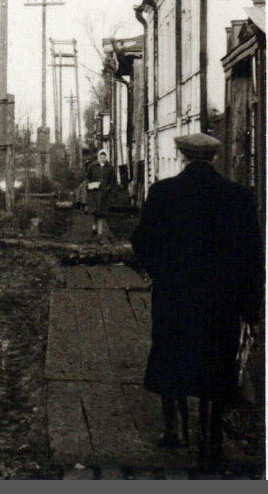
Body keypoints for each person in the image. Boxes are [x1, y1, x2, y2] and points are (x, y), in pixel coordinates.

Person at [130, 133, 264, 470]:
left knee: (170, 358)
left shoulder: (163, 193)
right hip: (221, 302)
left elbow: (143, 242)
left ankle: (175, 432)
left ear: (181, 157)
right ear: (214, 158)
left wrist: (158, 272)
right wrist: (252, 309)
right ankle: (211, 441)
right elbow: (252, 257)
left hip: (174, 297)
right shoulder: (239, 197)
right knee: (215, 367)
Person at [84, 151, 116, 238]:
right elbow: (87, 177)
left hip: (105, 193)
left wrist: (109, 187)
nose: (103, 159)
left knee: (102, 211)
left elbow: (113, 180)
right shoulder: (93, 166)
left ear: (106, 158)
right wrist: (90, 185)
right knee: (95, 210)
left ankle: (100, 231)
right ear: (98, 158)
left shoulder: (110, 168)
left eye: (104, 157)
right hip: (95, 192)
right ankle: (94, 226)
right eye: (101, 157)